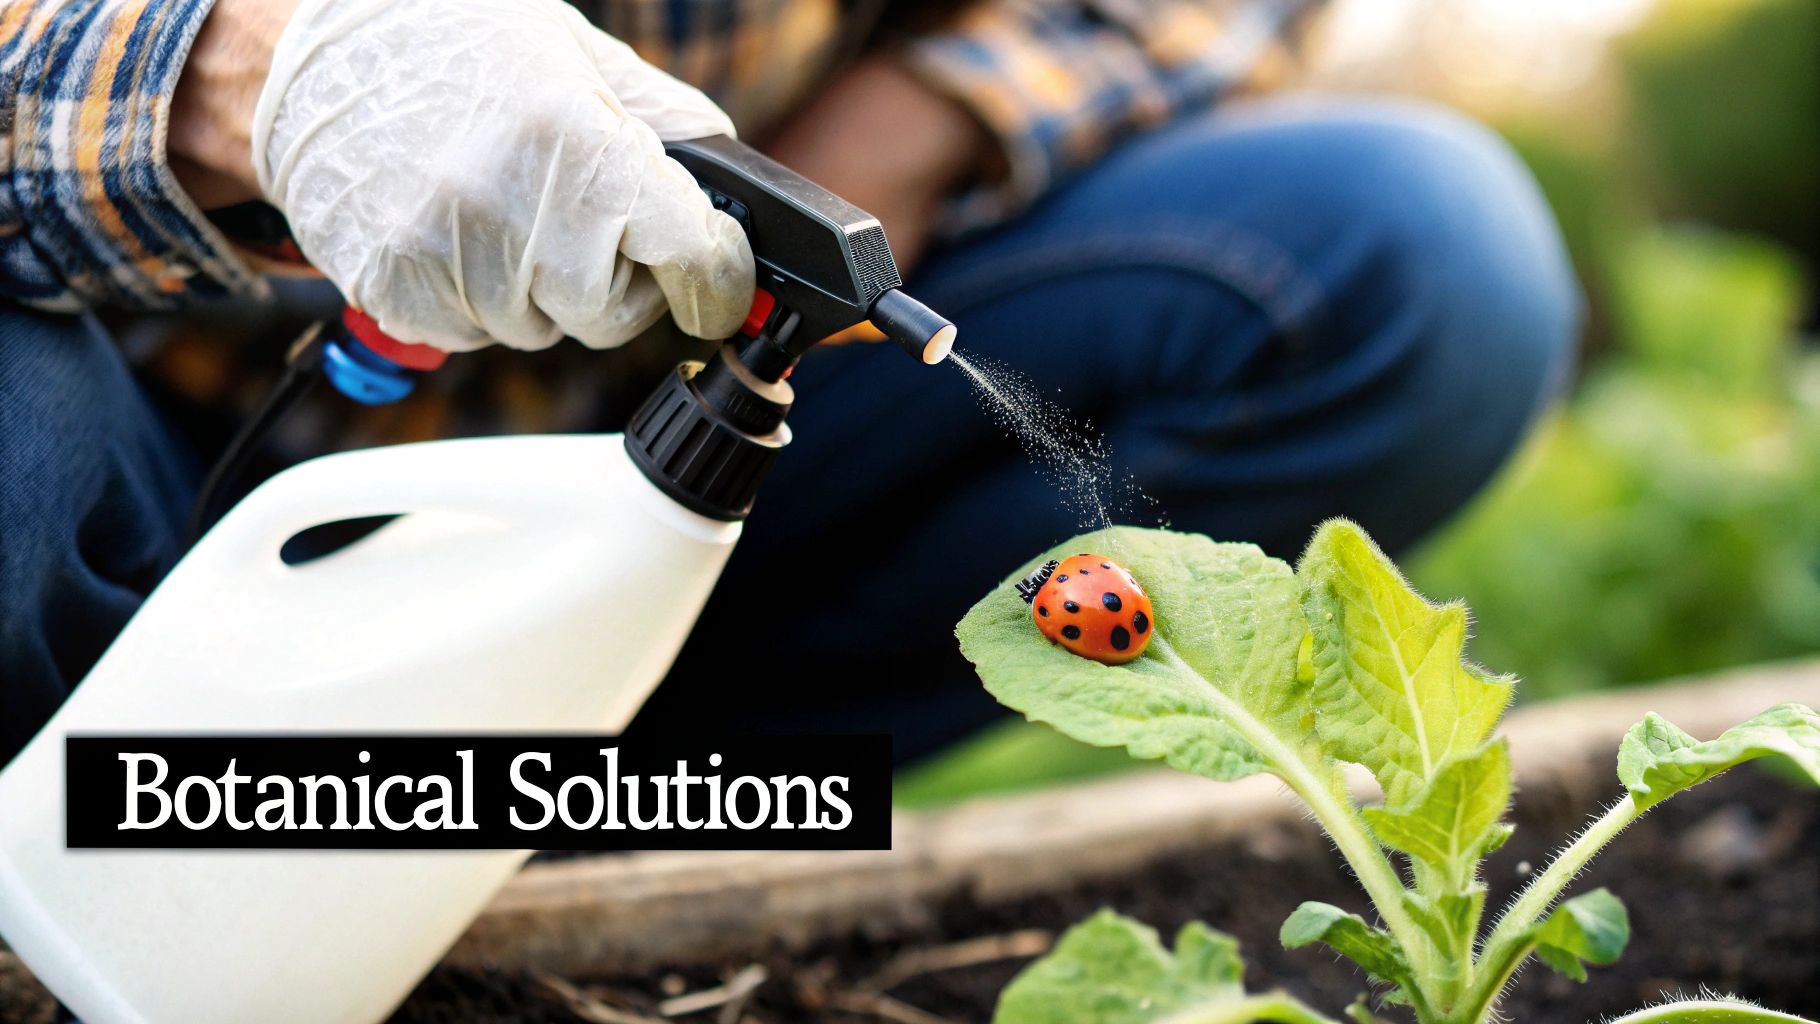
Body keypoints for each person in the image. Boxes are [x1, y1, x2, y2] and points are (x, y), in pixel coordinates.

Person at [0, 0, 1578, 766]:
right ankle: (138, 830)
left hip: (636, 439)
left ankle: (546, 823)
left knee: (1414, 260)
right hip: (128, 418)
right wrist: (237, 80)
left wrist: (926, 107)